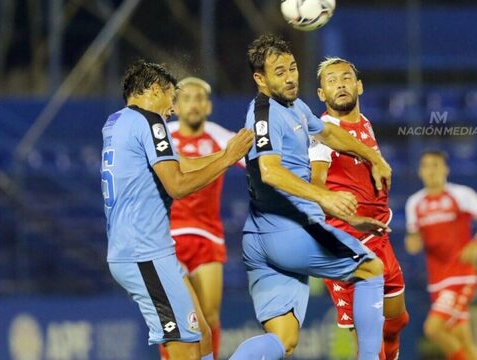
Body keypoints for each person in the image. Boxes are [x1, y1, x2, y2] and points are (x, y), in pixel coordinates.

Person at [229, 34, 393, 360]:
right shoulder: (264, 115)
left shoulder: (296, 106)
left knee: (283, 340)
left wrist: (374, 157)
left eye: (292, 68)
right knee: (371, 268)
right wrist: (326, 198)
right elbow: (269, 171)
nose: (290, 77)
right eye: (279, 72)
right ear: (259, 78)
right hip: (287, 230)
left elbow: (329, 133)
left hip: (263, 236)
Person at [100, 60, 253, 360]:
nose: (172, 109)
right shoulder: (151, 122)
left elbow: (179, 163)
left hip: (150, 250)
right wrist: (226, 161)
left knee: (203, 336)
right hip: (144, 253)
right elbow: (178, 185)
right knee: (184, 349)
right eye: (172, 97)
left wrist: (224, 153)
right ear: (155, 89)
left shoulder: (117, 121)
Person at [309, 57, 409, 360]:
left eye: (346, 77)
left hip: (379, 236)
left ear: (359, 86)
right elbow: (317, 186)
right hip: (346, 241)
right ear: (321, 94)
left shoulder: (364, 125)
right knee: (368, 341)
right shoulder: (324, 130)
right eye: (331, 80)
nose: (340, 83)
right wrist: (351, 217)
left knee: (396, 320)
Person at [160, 77, 244, 360]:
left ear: (208, 106)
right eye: (186, 98)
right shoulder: (163, 136)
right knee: (173, 315)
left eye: (199, 99)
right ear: (176, 105)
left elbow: (257, 161)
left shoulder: (220, 137)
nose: (193, 104)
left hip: (207, 236)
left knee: (208, 315)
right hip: (167, 238)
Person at [404, 150, 477, 360]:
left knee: (433, 329)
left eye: (436, 165)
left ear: (446, 169)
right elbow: (413, 239)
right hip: (437, 280)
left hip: (461, 274)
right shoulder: (414, 203)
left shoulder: (461, 194)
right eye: (427, 166)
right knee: (465, 344)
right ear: (420, 171)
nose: (432, 171)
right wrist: (413, 242)